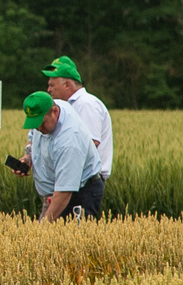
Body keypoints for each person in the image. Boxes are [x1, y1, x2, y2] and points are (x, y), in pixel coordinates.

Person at [41, 55, 113, 217]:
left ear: (67, 84)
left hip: (84, 185)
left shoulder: (86, 104)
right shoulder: (61, 107)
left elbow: (90, 144)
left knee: (75, 229)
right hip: (68, 181)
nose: (49, 90)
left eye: (52, 85)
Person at [15, 90, 93, 220]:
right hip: (54, 195)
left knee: (56, 231)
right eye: (35, 124)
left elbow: (64, 191)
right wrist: (27, 158)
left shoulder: (69, 141)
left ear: (55, 111)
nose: (38, 128)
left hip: (76, 196)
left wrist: (45, 224)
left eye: (41, 123)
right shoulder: (47, 110)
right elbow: (32, 136)